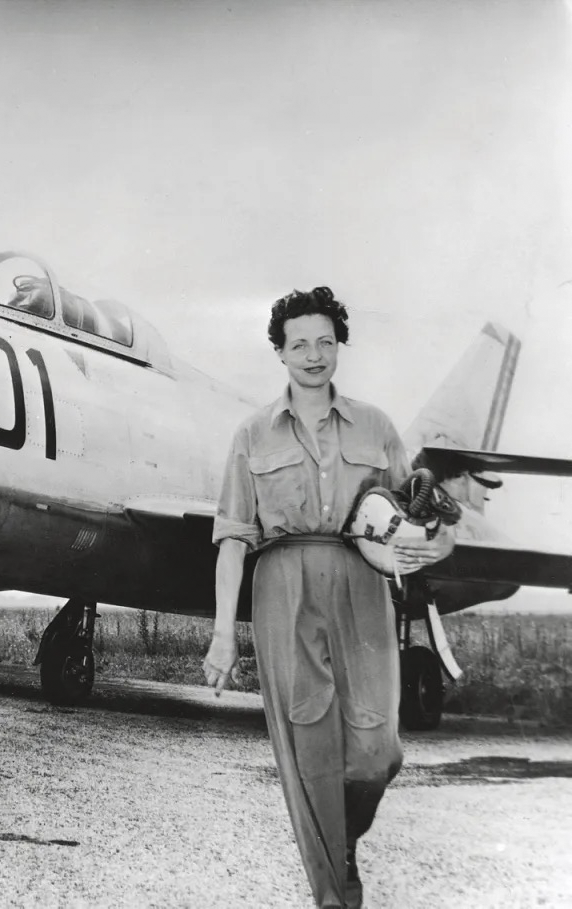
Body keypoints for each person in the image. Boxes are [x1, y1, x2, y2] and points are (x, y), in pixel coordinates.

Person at [203, 287, 453, 909]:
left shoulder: (376, 426)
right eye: (299, 345)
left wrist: (429, 546)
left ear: (339, 345)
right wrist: (222, 635)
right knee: (309, 748)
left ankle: (343, 840)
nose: (313, 355)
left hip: (361, 581)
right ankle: (334, 894)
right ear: (280, 353)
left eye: (324, 342)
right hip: (282, 583)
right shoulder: (252, 433)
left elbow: (421, 519)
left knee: (376, 752)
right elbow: (232, 539)